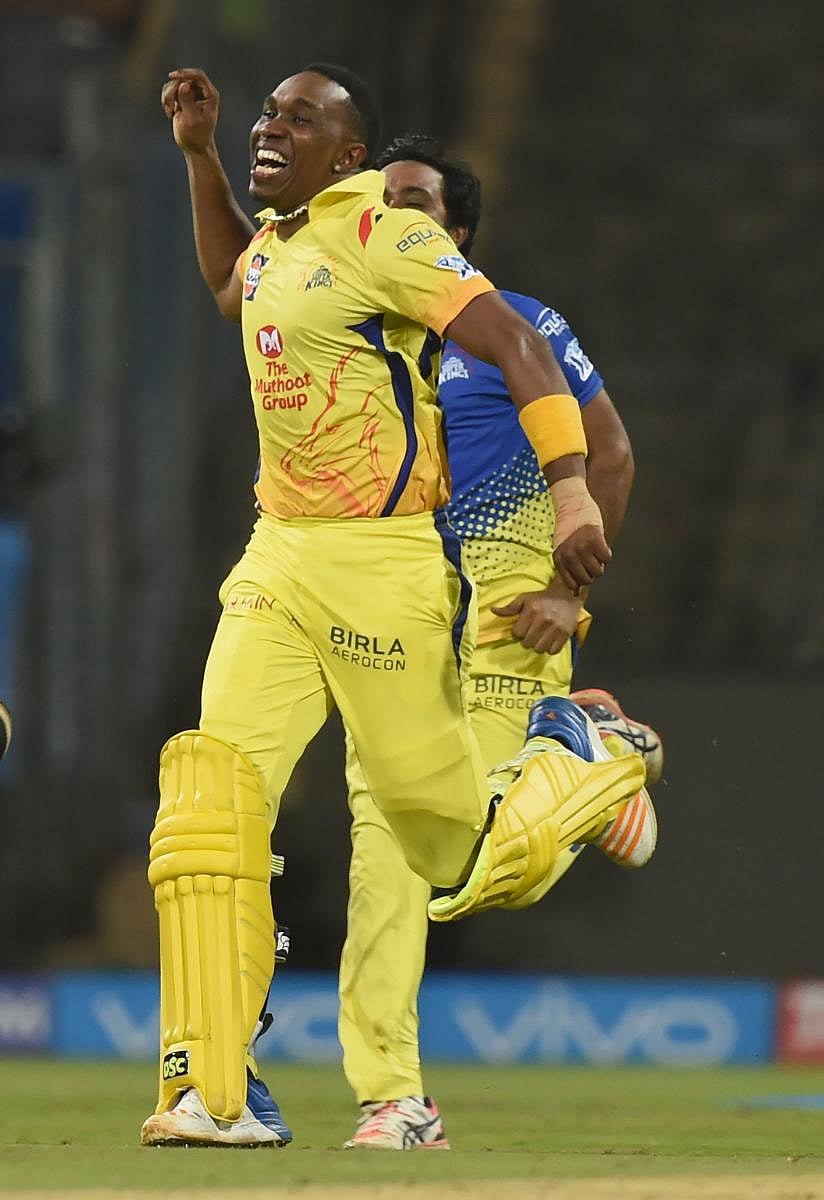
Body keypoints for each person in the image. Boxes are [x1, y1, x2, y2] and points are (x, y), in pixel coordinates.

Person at [141, 64, 646, 1149]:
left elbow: (513, 346)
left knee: (446, 859)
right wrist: (197, 154)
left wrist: (567, 504)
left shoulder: (383, 231)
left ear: (347, 156)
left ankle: (587, 763)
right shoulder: (279, 238)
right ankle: (207, 1087)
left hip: (385, 565)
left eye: (297, 119)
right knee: (210, 793)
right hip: (278, 554)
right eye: (268, 112)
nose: (269, 127)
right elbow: (232, 278)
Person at [336, 135, 662, 1150]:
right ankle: (394, 1099)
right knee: (382, 857)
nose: (392, 213)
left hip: (506, 631)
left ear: (457, 234)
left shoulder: (514, 325)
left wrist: (569, 595)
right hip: (390, 633)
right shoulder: (351, 339)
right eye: (379, 199)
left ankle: (589, 753)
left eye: (415, 202)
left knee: (465, 868)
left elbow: (608, 452)